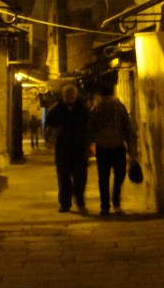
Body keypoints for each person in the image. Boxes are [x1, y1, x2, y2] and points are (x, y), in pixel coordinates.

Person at [88, 81, 137, 216]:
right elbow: (127, 127)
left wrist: (91, 145)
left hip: (105, 147)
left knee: (105, 177)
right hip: (116, 147)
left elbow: (90, 129)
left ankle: (106, 206)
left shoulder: (96, 109)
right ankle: (113, 203)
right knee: (117, 175)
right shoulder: (117, 107)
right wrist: (131, 145)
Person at [44, 83, 89, 214]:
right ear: (64, 95)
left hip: (79, 148)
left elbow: (89, 127)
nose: (70, 96)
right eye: (68, 94)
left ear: (76, 95)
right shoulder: (56, 110)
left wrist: (89, 144)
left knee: (80, 177)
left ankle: (80, 202)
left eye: (72, 94)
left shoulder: (82, 109)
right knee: (63, 177)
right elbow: (48, 128)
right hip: (63, 148)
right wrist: (49, 140)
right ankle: (65, 203)